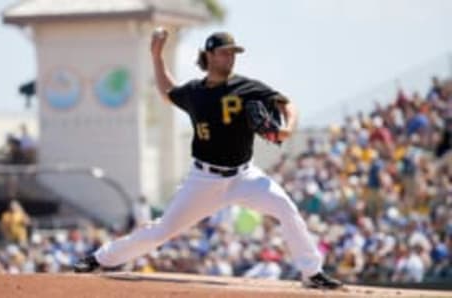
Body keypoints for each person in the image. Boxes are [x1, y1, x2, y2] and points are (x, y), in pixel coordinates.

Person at [74, 29, 342, 289]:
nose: (230, 57)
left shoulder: (247, 87)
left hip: (244, 175)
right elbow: (168, 91)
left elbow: (286, 103)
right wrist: (156, 57)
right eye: (225, 53)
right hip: (204, 179)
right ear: (210, 56)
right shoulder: (194, 92)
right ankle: (98, 258)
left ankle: (312, 272)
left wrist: (288, 127)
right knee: (162, 231)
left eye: (233, 53)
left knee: (286, 208)